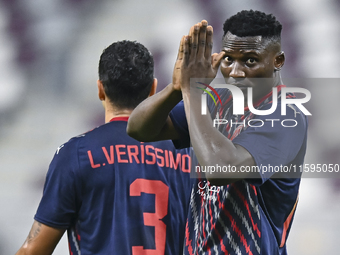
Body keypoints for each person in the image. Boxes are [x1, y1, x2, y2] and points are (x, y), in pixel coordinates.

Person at [127, 10, 308, 255]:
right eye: (228, 59)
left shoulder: (286, 116)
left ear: (277, 60)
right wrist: (176, 88)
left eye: (250, 60)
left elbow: (220, 169)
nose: (235, 71)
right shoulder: (215, 101)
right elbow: (138, 128)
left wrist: (193, 91)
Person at [15, 40, 193, 255]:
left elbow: (33, 249)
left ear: (100, 89)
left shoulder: (76, 154)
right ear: (153, 90)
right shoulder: (187, 154)